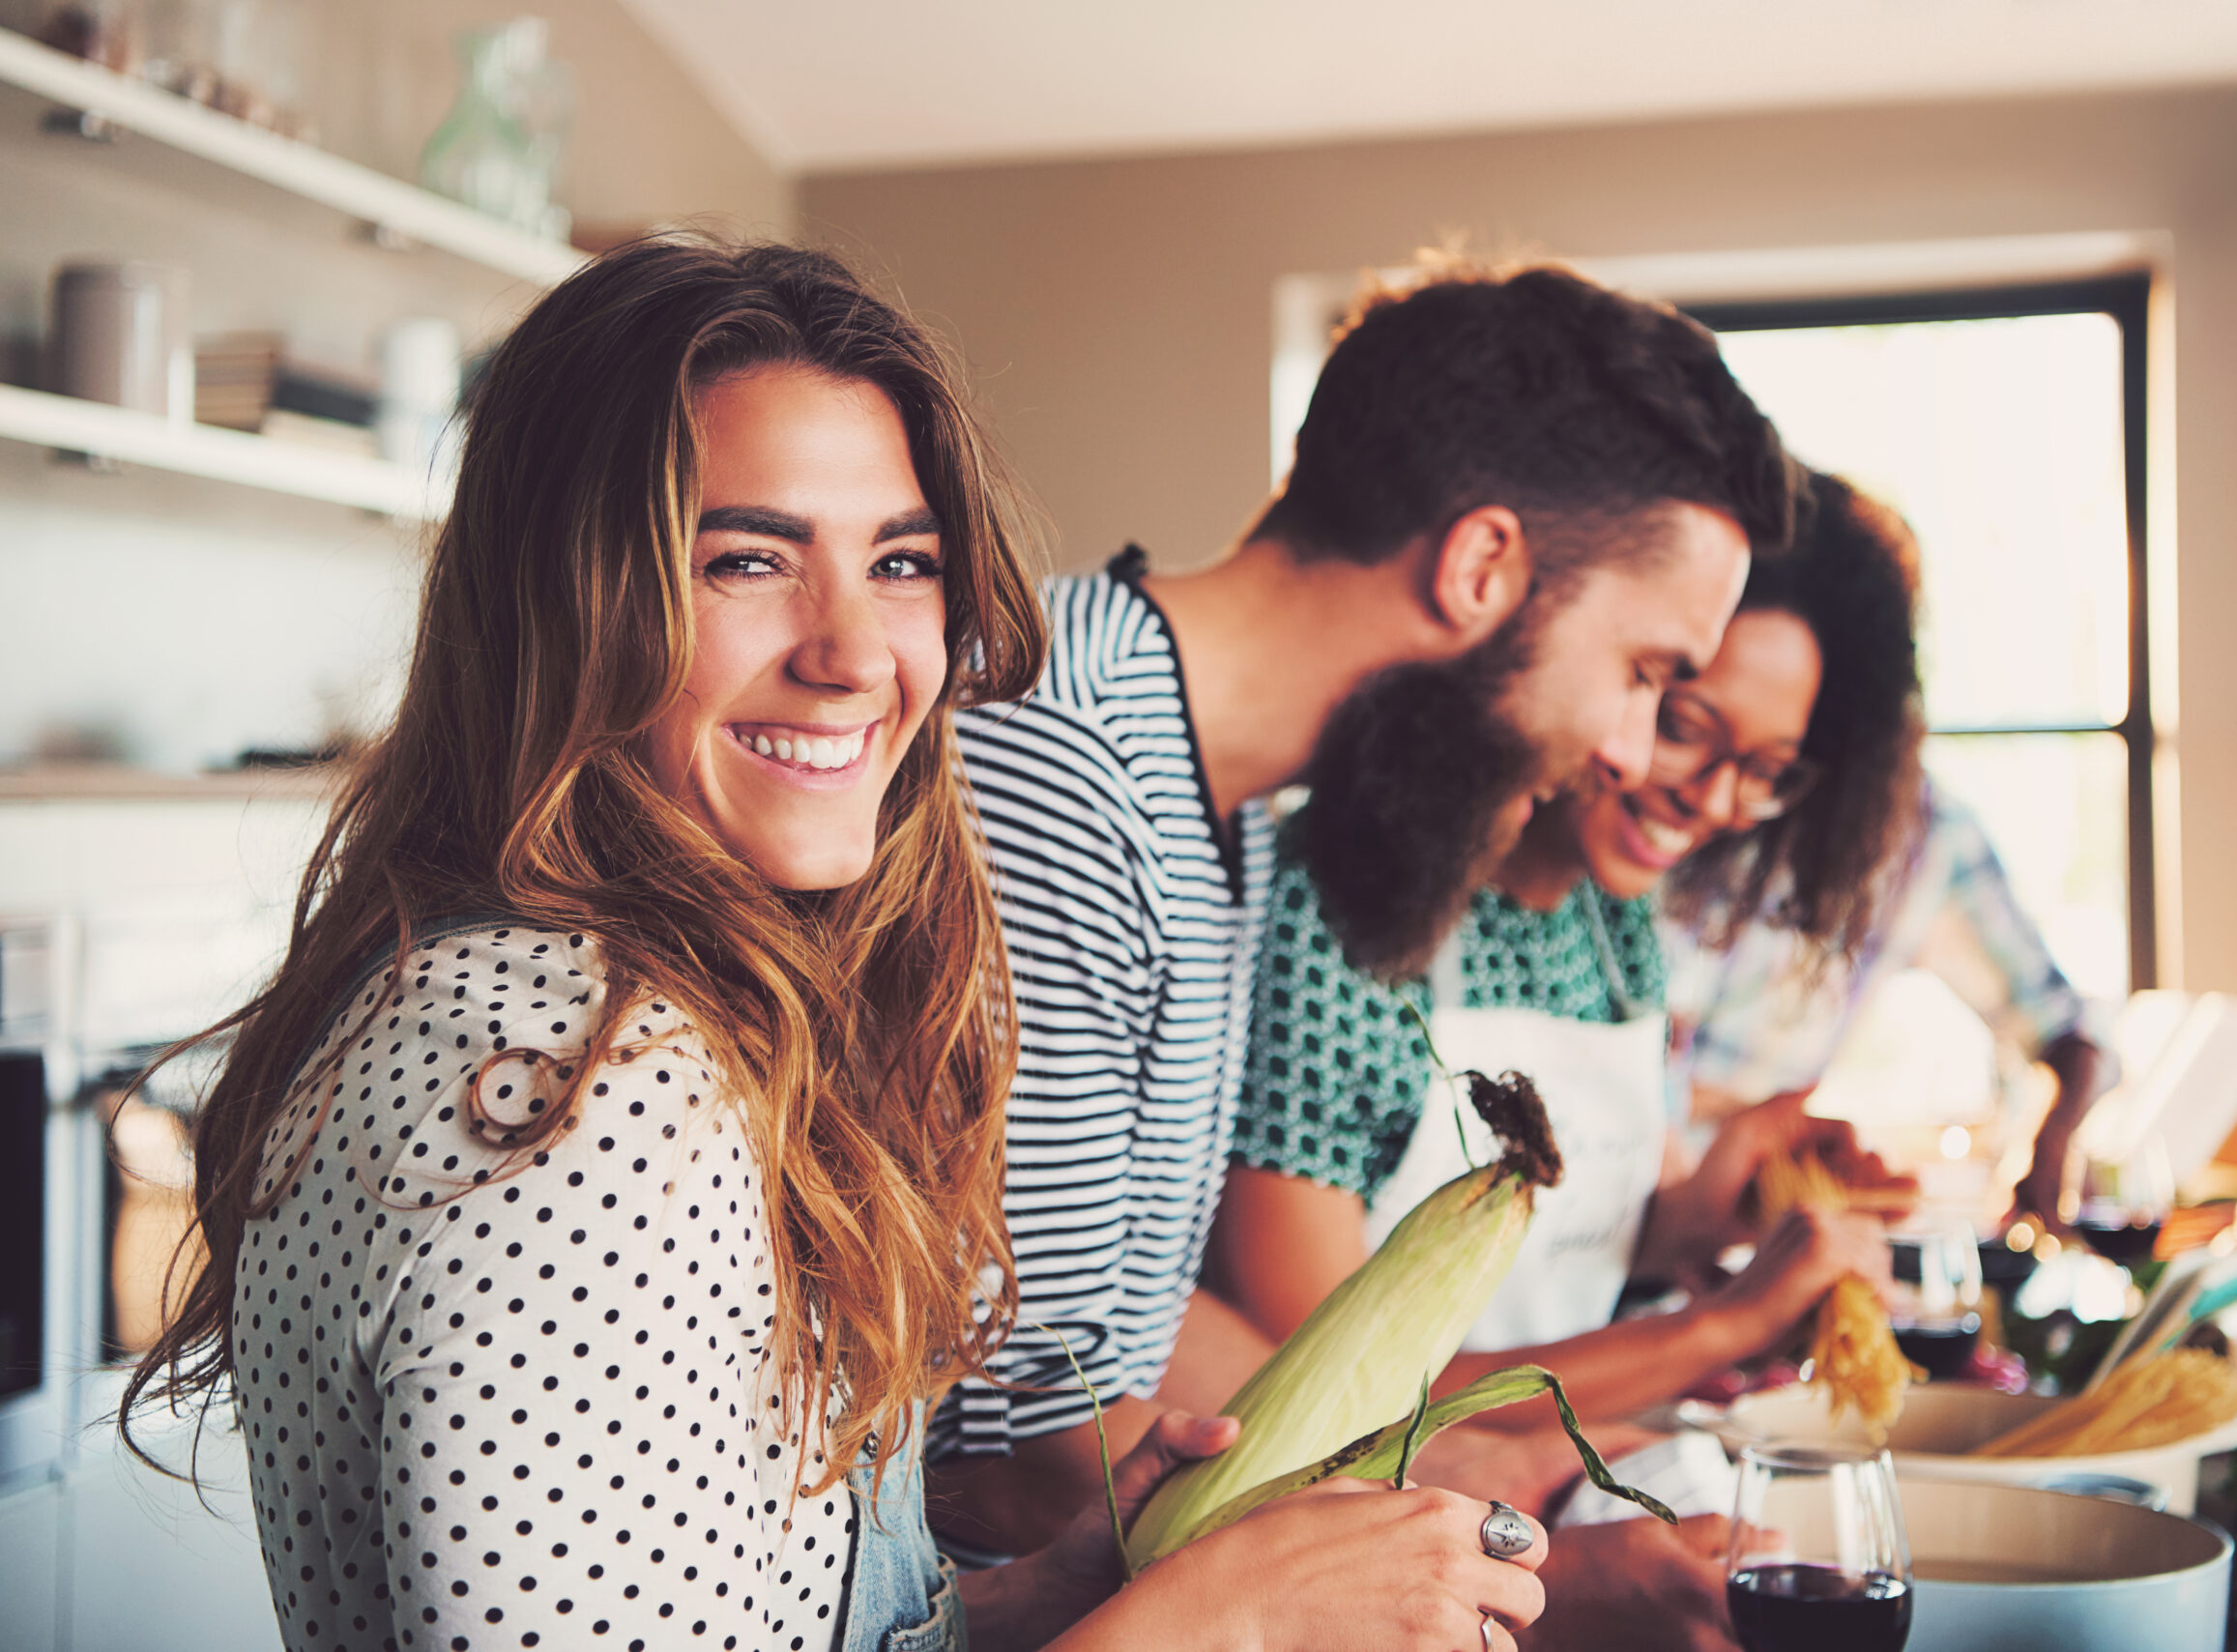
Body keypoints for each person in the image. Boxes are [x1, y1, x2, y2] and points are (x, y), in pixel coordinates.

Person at [120, 239, 1549, 1652]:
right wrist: (1222, 1624)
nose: (858, 652)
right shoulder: (573, 1093)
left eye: (902, 563)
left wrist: (1041, 1594)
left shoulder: (650, 1019)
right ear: (567, 597)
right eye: (748, 558)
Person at [930, 261, 1797, 1560]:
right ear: (1481, 564)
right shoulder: (1060, 769)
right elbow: (1014, 1449)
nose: (1627, 749)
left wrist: (1489, 1463)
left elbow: (1136, 1321)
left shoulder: (1220, 804)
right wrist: (1508, 1547)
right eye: (1642, 672)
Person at [1215, 474, 1928, 1652]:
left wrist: (1725, 1190)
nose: (1708, 797)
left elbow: (1575, 1243)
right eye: (1684, 720)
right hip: (1365, 1543)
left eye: (1765, 768)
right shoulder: (1349, 909)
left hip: (1550, 1486)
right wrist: (1723, 1324)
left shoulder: (1613, 924)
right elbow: (1314, 1388)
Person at [1664, 775, 2115, 1230]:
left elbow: (2061, 1024)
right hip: (1629, 1199)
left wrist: (2050, 1142)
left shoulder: (1927, 835)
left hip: (1723, 1220)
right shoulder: (1698, 784)